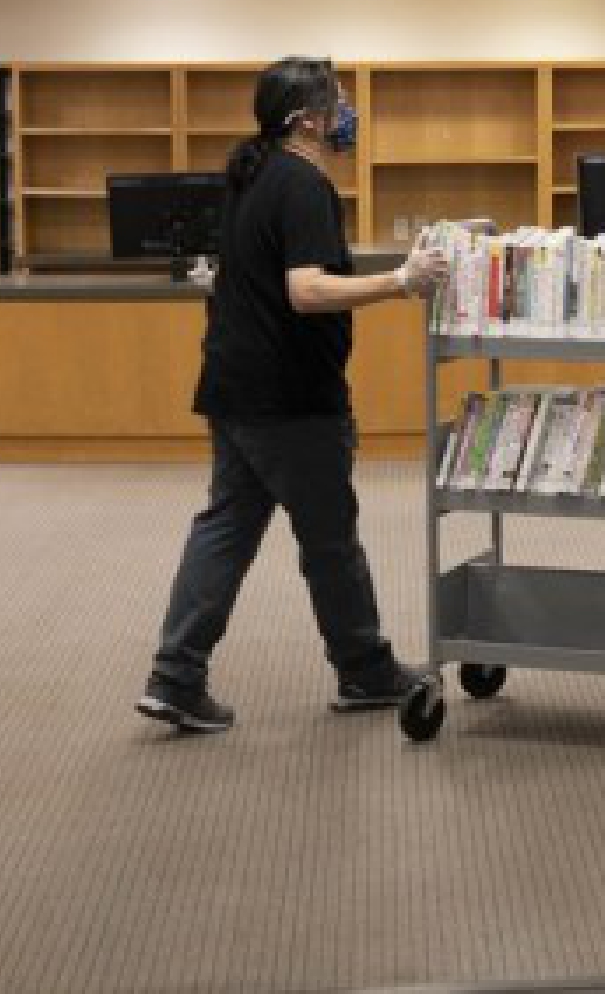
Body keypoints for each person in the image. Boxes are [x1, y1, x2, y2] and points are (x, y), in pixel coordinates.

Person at [138, 56, 448, 733]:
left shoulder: (252, 175)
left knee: (226, 528)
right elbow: (305, 290)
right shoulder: (304, 184)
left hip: (235, 386)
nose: (347, 116)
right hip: (290, 398)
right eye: (338, 103)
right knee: (330, 537)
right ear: (308, 119)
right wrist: (401, 281)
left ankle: (175, 676)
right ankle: (365, 669)